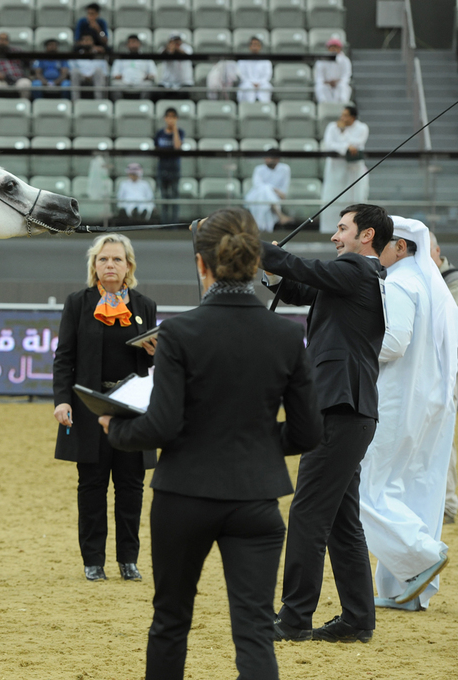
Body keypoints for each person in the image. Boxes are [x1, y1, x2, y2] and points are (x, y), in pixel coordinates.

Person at [102, 209, 321, 680]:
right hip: (257, 501)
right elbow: (307, 432)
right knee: (255, 631)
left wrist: (113, 429)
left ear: (203, 266)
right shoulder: (286, 334)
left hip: (184, 496)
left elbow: (160, 426)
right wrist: (261, 442)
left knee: (170, 622)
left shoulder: (179, 333)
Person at [262, 203, 394, 644]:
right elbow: (301, 286)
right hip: (347, 411)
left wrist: (253, 247)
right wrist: (273, 266)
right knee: (340, 520)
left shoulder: (358, 271)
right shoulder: (350, 279)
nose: (335, 237)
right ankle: (357, 619)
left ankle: (295, 617)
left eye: (342, 229)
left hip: (340, 409)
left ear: (367, 236)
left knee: (307, 514)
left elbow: (304, 268)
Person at [359, 217, 457, 611]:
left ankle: (420, 555)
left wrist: (350, 344)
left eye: (383, 241)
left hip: (397, 400)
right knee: (409, 489)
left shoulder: (399, 283)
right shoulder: (433, 290)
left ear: (401, 247)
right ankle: (404, 590)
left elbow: (393, 343)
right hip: (429, 403)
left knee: (364, 489)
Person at [52, 234, 157, 582]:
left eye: (117, 259)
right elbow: (63, 358)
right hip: (88, 409)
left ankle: (129, 560)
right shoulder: (77, 303)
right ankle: (93, 561)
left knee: (131, 486)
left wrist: (157, 354)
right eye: (103, 259)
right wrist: (62, 400)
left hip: (133, 410)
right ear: (93, 265)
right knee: (92, 486)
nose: (109, 265)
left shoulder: (145, 306)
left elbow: (154, 365)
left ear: (129, 266)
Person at [430, 230, 458, 526]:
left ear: (437, 252)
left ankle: (448, 503)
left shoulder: (452, 283)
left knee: (444, 434)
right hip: (442, 368)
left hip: (450, 368)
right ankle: (446, 502)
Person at [319, 106, 369, 234]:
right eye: (342, 115)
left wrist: (342, 136)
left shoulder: (362, 128)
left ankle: (354, 232)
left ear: (353, 117)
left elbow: (357, 144)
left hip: (353, 170)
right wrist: (346, 145)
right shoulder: (332, 127)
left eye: (345, 115)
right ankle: (329, 231)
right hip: (334, 170)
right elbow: (329, 145)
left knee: (354, 201)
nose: (342, 118)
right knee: (332, 199)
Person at [244, 151, 292, 233]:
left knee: (265, 192)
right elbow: (258, 185)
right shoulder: (259, 169)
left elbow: (283, 192)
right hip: (256, 195)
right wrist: (272, 189)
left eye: (268, 158)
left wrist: (271, 190)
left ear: (276, 159)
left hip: (274, 197)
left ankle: (260, 229)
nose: (266, 160)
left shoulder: (285, 169)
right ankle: (279, 215)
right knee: (265, 189)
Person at [154, 108, 183, 224]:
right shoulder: (160, 133)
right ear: (165, 118)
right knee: (164, 197)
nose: (170, 120)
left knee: (174, 197)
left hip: (174, 168)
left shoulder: (180, 132)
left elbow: (177, 147)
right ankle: (164, 224)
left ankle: (174, 224)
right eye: (168, 117)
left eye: (173, 117)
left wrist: (174, 130)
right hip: (162, 168)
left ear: (176, 119)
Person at [0, 32, 31, 100]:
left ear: (8, 41)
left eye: (5, 39)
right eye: (0, 39)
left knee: (25, 83)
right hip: (3, 81)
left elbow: (28, 62)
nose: (2, 41)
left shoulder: (17, 51)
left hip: (18, 80)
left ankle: (24, 104)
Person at [110, 35, 156, 100]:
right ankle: (118, 104)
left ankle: (144, 103)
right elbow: (114, 74)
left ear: (139, 44)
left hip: (141, 82)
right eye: (130, 42)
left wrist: (148, 76)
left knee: (149, 84)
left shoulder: (146, 57)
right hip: (124, 83)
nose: (133, 45)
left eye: (134, 42)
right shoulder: (121, 57)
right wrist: (118, 76)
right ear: (127, 45)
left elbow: (153, 73)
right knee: (114, 84)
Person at [70, 34, 109, 101]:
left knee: (98, 71)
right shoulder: (76, 55)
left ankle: (98, 100)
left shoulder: (99, 55)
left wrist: (92, 76)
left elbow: (105, 72)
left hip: (95, 77)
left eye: (88, 40)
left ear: (93, 42)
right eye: (84, 40)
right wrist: (85, 76)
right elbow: (71, 69)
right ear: (81, 42)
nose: (86, 42)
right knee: (74, 72)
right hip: (81, 77)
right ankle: (75, 101)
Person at [315, 38, 352, 105]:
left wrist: (337, 82)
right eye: (332, 47)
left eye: (336, 47)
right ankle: (324, 106)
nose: (334, 49)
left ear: (340, 48)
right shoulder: (321, 60)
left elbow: (346, 75)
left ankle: (342, 105)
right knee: (320, 87)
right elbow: (319, 77)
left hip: (339, 84)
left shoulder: (345, 61)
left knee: (343, 87)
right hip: (326, 84)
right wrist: (327, 82)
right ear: (328, 48)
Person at [236, 37, 272, 103]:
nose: (255, 47)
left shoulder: (266, 61)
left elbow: (267, 75)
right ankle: (247, 107)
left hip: (262, 83)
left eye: (257, 44)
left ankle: (264, 107)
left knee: (266, 87)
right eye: (253, 44)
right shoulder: (242, 60)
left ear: (260, 47)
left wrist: (259, 83)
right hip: (247, 83)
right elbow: (241, 74)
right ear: (250, 46)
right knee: (247, 87)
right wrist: (252, 83)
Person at [158, 33, 193, 97]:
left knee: (185, 95)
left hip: (184, 83)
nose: (176, 43)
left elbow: (186, 56)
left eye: (177, 40)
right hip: (167, 83)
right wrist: (169, 49)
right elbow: (161, 56)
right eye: (174, 41)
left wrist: (176, 48)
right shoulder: (165, 49)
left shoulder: (187, 48)